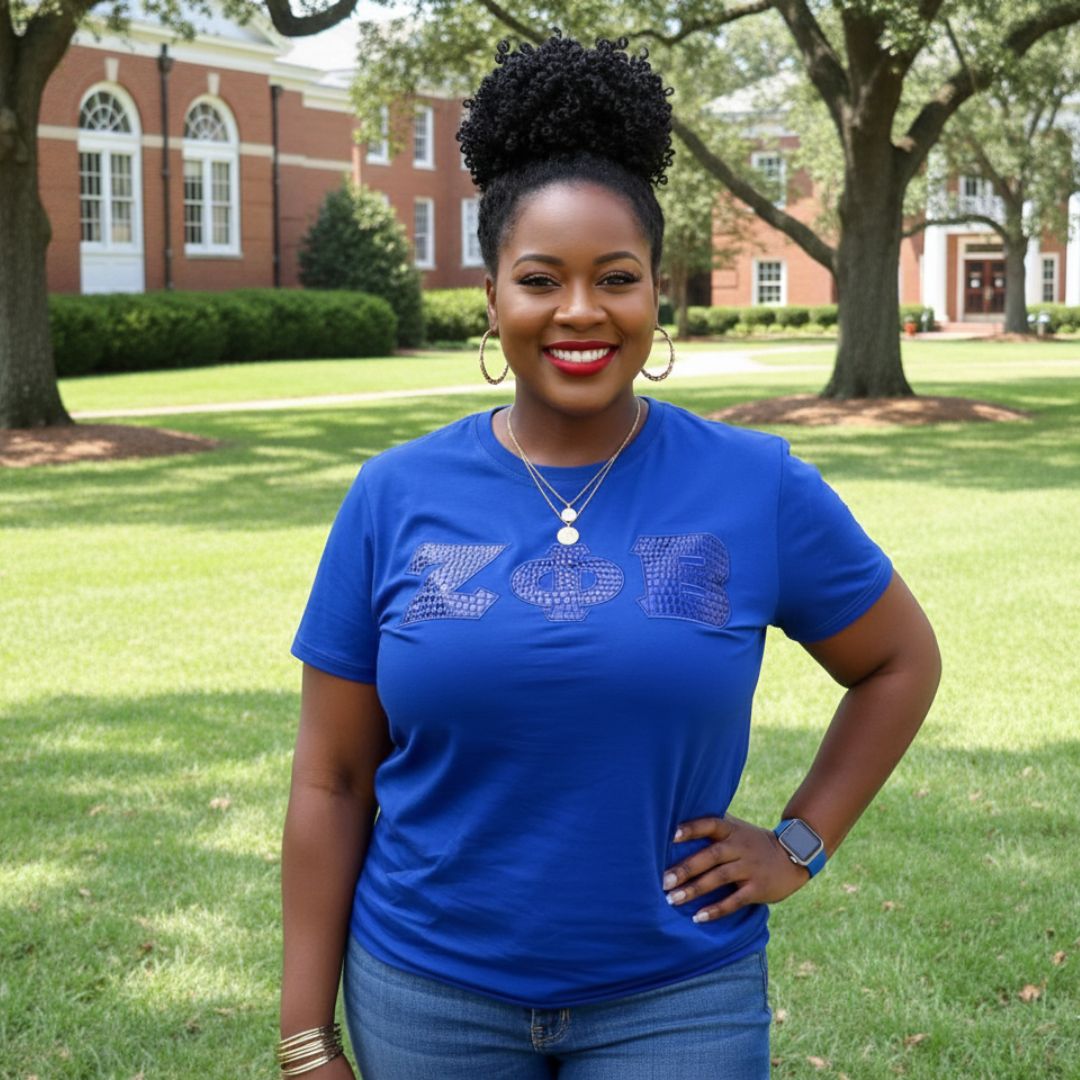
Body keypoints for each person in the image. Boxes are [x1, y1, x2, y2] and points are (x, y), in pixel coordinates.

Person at [277, 32, 942, 1080]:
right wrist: (306, 1033)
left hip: (679, 1000)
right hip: (426, 995)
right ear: (491, 300)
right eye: (540, 278)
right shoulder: (392, 496)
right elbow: (333, 777)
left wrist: (800, 843)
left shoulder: (756, 486)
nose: (580, 310)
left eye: (615, 277)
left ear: (655, 299)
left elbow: (899, 662)